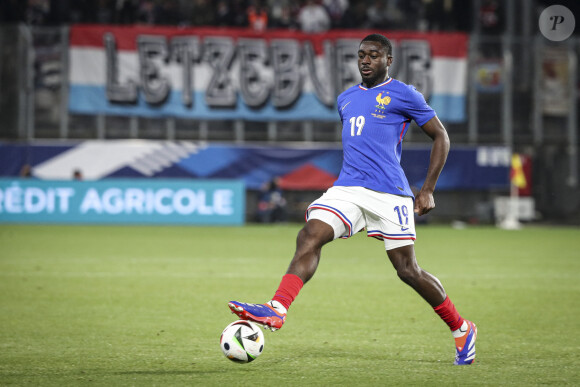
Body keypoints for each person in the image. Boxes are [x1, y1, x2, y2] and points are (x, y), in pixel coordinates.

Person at [228, 34, 477, 366]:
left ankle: (461, 328)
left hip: (390, 192)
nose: (366, 60)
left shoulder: (404, 94)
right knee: (310, 234)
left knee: (407, 270)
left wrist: (428, 188)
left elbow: (440, 136)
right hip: (347, 189)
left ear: (388, 60)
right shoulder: (345, 99)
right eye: (362, 55)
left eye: (374, 55)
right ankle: (277, 308)